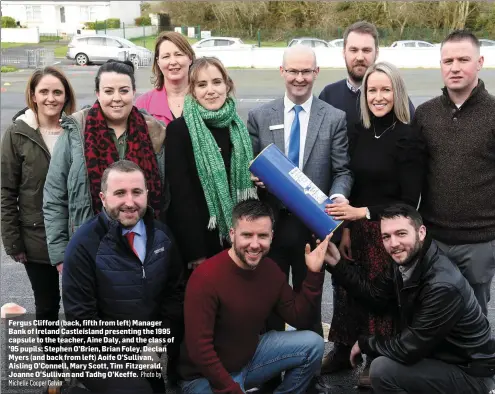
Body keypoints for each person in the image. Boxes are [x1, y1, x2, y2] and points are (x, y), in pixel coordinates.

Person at [318, 22, 415, 376]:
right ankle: (344, 351)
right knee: (346, 293)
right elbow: (350, 176)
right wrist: (345, 227)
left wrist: (360, 213)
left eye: (384, 90)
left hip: (385, 228)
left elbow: (408, 197)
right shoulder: (355, 124)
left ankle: (376, 364)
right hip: (353, 227)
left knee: (381, 301)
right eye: (372, 91)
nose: (377, 97)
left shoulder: (407, 132)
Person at [324, 203, 495, 394]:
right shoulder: (406, 260)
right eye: (386, 237)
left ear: (421, 232)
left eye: (401, 234)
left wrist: (365, 343)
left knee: (382, 370)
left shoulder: (442, 284)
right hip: (440, 357)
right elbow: (375, 296)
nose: (393, 243)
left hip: (470, 374)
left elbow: (408, 349)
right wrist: (337, 263)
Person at [247, 44, 352, 335]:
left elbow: (342, 170)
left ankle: (309, 375)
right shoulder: (259, 116)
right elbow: (247, 167)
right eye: (292, 70)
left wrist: (337, 200)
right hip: (271, 225)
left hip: (312, 226)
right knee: (269, 301)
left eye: (306, 71)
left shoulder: (333, 118)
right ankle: (269, 376)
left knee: (310, 304)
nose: (299, 77)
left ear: (316, 72)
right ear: (282, 72)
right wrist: (253, 180)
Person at [177, 199, 329, 394]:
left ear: (272, 236)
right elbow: (200, 350)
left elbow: (298, 317)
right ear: (232, 234)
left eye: (262, 236)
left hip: (249, 358)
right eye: (247, 235)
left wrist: (314, 274)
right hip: (204, 377)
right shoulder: (205, 277)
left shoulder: (270, 271)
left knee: (313, 344)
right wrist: (231, 389)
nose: (255, 244)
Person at [63, 160, 184, 393]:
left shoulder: (162, 237)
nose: (130, 202)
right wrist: (133, 354)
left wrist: (157, 342)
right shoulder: (83, 245)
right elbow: (82, 320)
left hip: (148, 346)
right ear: (103, 197)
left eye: (136, 192)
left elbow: (175, 295)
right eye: (120, 193)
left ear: (147, 195)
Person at [43, 59, 167, 270]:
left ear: (134, 92)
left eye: (124, 90)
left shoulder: (153, 131)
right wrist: (62, 254)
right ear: (98, 94)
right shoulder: (76, 132)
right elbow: (54, 196)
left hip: (142, 246)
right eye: (108, 91)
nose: (116, 98)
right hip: (89, 248)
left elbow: (163, 193)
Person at [1, 66, 76, 394]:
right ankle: (55, 369)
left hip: (76, 233)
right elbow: (6, 190)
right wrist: (12, 239)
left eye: (57, 92)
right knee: (47, 306)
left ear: (66, 96)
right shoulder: (18, 133)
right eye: (43, 92)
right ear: (32, 95)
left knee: (79, 306)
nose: (50, 98)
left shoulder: (77, 130)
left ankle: (84, 367)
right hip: (35, 235)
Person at [413, 30, 495, 317]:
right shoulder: (424, 114)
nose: (455, 67)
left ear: (480, 62)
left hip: (480, 241)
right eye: (448, 60)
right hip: (435, 239)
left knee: (474, 315)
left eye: (463, 59)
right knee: (433, 312)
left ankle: (478, 363)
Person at [165, 57, 257, 274]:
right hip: (203, 242)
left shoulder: (238, 128)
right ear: (192, 91)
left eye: (216, 82)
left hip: (239, 240)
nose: (211, 90)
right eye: (202, 84)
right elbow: (181, 196)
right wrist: (195, 251)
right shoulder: (179, 130)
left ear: (227, 85)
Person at [136, 31, 196, 124]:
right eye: (166, 56)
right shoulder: (143, 103)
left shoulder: (204, 98)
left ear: (190, 58)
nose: (173, 62)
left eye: (178, 54)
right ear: (158, 62)